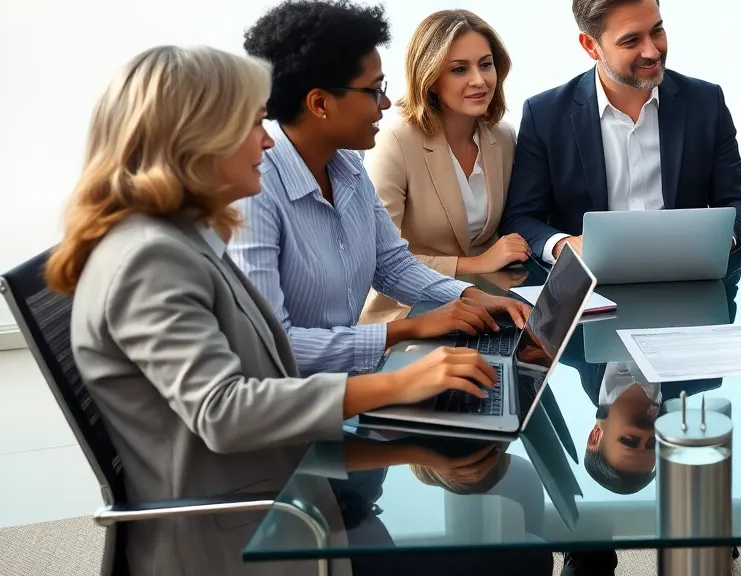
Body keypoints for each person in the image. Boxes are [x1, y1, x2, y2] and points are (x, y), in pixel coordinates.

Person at [48, 46, 500, 576]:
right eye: (252, 124)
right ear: (195, 139)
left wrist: (411, 451)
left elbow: (273, 384)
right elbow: (226, 413)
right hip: (246, 532)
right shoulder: (149, 258)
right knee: (497, 556)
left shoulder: (183, 239)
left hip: (285, 485)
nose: (267, 139)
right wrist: (400, 384)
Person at [230, 0, 528, 376]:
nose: (386, 103)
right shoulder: (255, 192)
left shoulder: (347, 168)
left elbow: (391, 264)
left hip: (347, 382)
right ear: (320, 104)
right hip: (294, 405)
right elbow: (273, 345)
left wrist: (473, 296)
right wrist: (411, 327)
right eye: (373, 90)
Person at [502, 0, 741, 262]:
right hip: (591, 286)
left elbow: (740, 202)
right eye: (631, 40)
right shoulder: (545, 115)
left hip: (686, 276)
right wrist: (564, 245)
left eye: (657, 31)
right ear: (591, 45)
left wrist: (717, 241)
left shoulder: (705, 102)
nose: (652, 51)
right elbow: (520, 218)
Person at [361, 9, 530, 324]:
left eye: (485, 64)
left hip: (484, 301)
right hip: (408, 311)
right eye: (459, 69)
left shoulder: (503, 136)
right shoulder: (395, 141)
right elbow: (377, 259)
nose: (478, 80)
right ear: (431, 78)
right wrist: (475, 263)